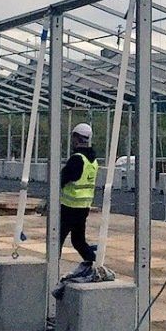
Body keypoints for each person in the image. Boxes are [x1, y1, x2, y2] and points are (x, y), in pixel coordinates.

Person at [59, 121, 101, 283]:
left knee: (58, 238)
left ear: (76, 138)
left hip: (69, 206)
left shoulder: (77, 159)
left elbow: (63, 179)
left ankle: (51, 266)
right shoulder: (93, 161)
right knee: (78, 240)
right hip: (83, 207)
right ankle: (93, 264)